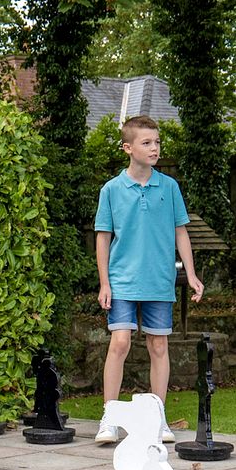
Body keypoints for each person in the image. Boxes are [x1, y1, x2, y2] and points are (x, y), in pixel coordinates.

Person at [93, 115, 205, 445]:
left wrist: (192, 273)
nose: (154, 148)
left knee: (159, 345)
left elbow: (179, 232)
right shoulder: (111, 190)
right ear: (128, 148)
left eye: (157, 142)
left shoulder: (169, 187)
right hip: (122, 280)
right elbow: (102, 237)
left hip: (159, 280)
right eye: (147, 143)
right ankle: (109, 419)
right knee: (121, 342)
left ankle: (157, 419)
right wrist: (104, 282)